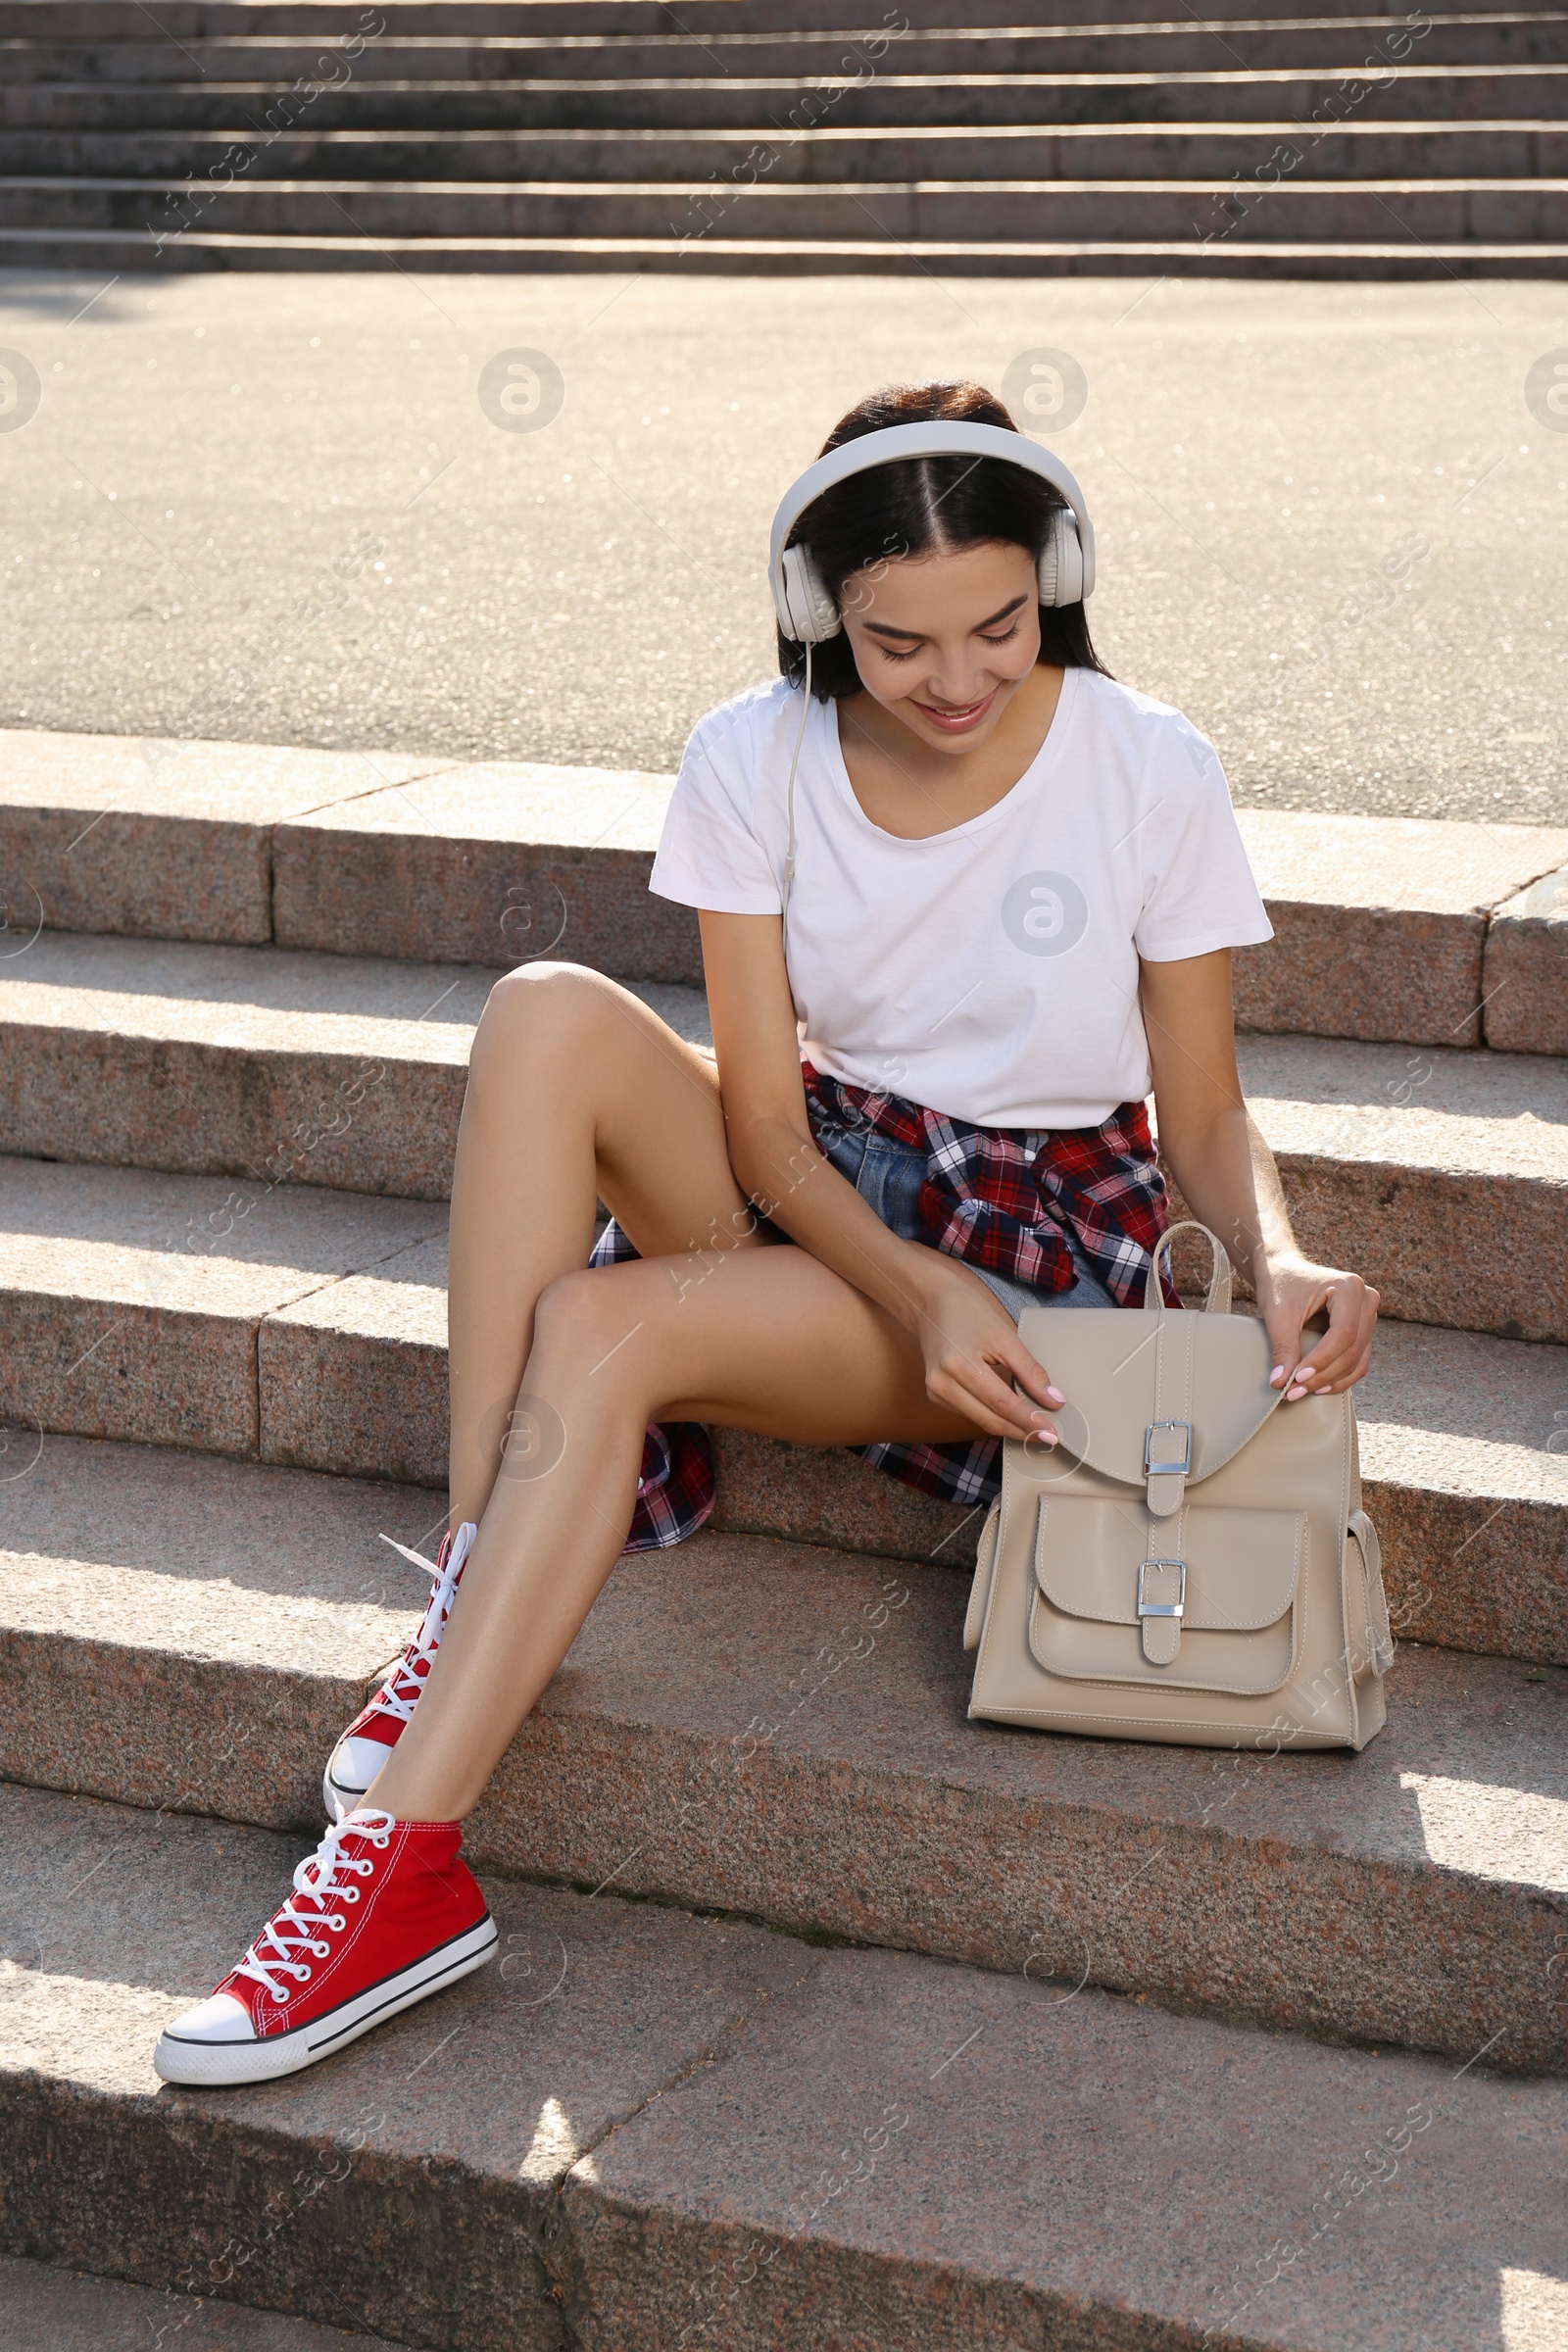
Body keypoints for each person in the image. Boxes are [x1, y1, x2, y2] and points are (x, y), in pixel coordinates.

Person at [154, 379, 1379, 2086]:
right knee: (544, 1011)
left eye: (1001, 627)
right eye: (898, 643)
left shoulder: (1150, 767)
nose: (955, 680)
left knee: (601, 1331)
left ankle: (404, 1874)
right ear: (822, 613)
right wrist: (905, 1278)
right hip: (829, 1185)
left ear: (1060, 580)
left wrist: (1281, 1251)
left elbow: (1206, 1117)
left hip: (1036, 1244)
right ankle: (468, 1592)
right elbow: (758, 1122)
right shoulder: (754, 753)